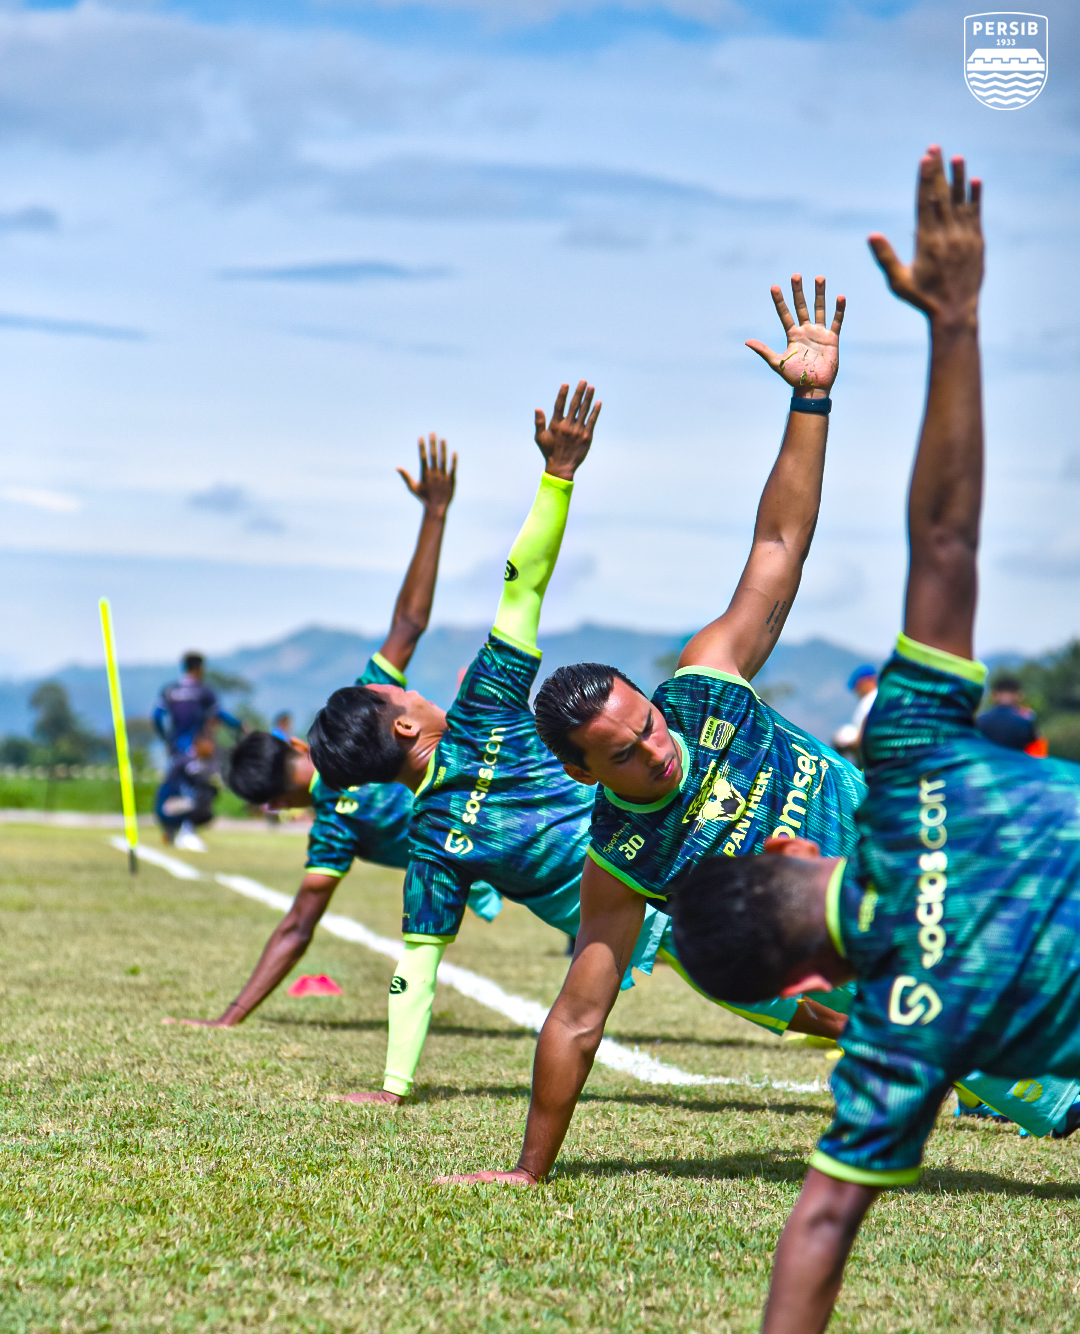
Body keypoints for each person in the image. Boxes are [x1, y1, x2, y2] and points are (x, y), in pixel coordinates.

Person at [669, 147, 1080, 1332]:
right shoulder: (906, 758)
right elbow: (946, 541)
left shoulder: (901, 1047)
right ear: (793, 846)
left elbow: (819, 1228)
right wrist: (955, 322)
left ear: (806, 988)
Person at [440, 276, 866, 1186]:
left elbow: (779, 545)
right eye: (626, 753)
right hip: (879, 958)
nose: (657, 748)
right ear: (584, 773)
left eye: (649, 723)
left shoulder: (707, 682)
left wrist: (810, 400)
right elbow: (577, 1016)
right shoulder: (624, 856)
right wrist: (529, 1170)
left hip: (925, 848)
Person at [308, 384, 841, 1106]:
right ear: (404, 724)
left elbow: (416, 968)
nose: (409, 689)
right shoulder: (483, 707)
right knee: (836, 975)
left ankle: (942, 1055)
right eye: (397, 694)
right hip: (657, 867)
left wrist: (395, 1085)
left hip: (642, 909)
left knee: (807, 994)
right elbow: (523, 587)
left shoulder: (430, 842)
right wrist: (557, 477)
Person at [165, 436, 502, 1028]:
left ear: (274, 805)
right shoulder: (365, 715)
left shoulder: (332, 831)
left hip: (499, 863)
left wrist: (229, 1017)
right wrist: (435, 512)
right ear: (296, 743)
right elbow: (409, 622)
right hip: (524, 799)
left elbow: (298, 926)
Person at [153, 651, 243, 847]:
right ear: (199, 668)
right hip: (194, 748)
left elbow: (157, 717)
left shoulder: (170, 690)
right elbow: (220, 714)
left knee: (176, 785)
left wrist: (166, 739)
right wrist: (240, 726)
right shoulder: (203, 691)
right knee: (202, 790)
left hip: (176, 747)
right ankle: (186, 830)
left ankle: (171, 829)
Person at [977, 675, 1047, 756]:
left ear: (994, 694)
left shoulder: (980, 720)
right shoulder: (1026, 721)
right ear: (1019, 695)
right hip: (1018, 763)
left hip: (987, 762)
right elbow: (1038, 753)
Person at [832, 664, 877, 765]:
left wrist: (850, 744)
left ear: (865, 681)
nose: (856, 691)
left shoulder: (872, 698)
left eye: (857, 686)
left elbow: (869, 727)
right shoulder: (868, 700)